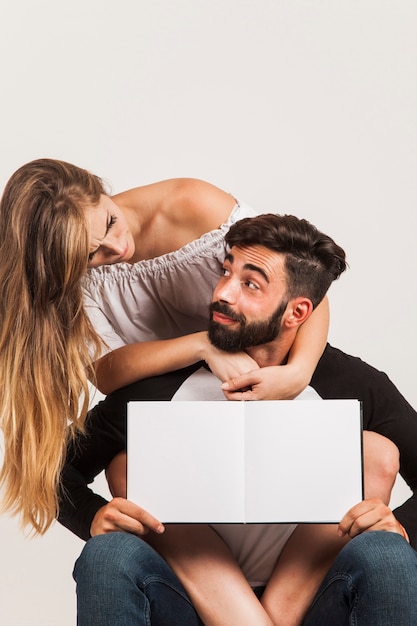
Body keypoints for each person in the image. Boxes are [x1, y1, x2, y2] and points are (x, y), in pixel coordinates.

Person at [60, 214, 417, 625]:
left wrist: (400, 526)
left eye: (250, 284)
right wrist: (91, 516)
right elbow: (54, 473)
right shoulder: (158, 389)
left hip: (318, 599)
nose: (223, 293)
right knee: (108, 552)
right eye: (225, 271)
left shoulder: (354, 385)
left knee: (387, 546)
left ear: (296, 312)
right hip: (186, 598)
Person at [0, 159, 329, 534]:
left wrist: (297, 373)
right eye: (92, 256)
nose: (119, 247)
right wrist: (203, 346)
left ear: (100, 189)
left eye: (110, 221)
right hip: (172, 408)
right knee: (124, 467)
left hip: (264, 375)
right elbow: (106, 373)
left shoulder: (192, 204)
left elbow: (304, 278)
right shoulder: (73, 285)